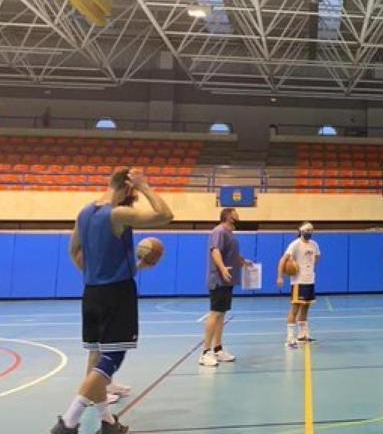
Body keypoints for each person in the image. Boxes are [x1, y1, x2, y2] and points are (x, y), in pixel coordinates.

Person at [50, 168, 174, 434]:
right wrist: (145, 185)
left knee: (96, 358)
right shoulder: (117, 213)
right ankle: (69, 423)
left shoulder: (84, 213)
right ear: (127, 189)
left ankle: (107, 422)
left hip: (92, 292)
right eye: (134, 193)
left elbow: (74, 251)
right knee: (111, 360)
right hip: (117, 294)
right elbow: (165, 215)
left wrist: (107, 271)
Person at [199, 208, 251, 367]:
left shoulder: (230, 234)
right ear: (228, 216)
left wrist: (242, 261)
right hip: (219, 279)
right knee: (215, 313)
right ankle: (205, 352)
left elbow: (231, 254)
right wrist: (222, 268)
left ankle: (218, 349)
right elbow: (215, 251)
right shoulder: (219, 231)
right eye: (235, 213)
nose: (238, 215)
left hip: (228, 279)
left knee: (222, 314)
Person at [277, 222, 321, 347]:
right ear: (301, 231)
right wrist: (280, 276)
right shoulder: (295, 244)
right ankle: (290, 338)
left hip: (310, 280)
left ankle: (303, 335)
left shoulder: (314, 244)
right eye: (307, 230)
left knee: (306, 307)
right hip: (298, 281)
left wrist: (309, 267)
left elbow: (317, 257)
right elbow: (282, 260)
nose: (309, 232)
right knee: (295, 308)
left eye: (311, 230)